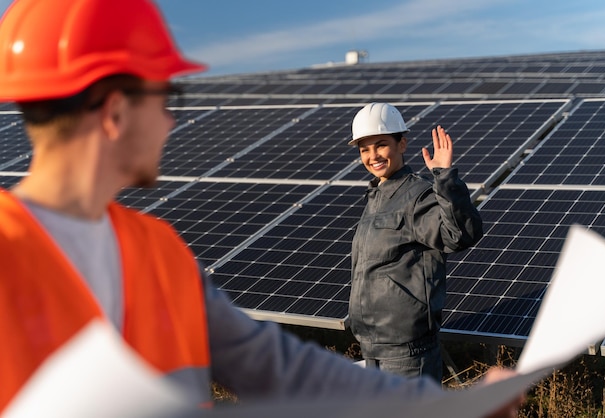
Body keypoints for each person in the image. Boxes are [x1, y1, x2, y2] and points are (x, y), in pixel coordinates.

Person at [0, 0, 520, 416]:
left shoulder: (157, 251)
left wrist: (449, 405)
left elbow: (279, 369)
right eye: (167, 101)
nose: (172, 123)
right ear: (115, 112)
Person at [348, 102, 483, 382]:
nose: (373, 156)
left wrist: (444, 179)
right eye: (364, 149)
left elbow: (459, 235)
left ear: (402, 144)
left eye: (381, 144)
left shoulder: (418, 195)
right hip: (374, 349)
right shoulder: (376, 197)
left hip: (407, 356)